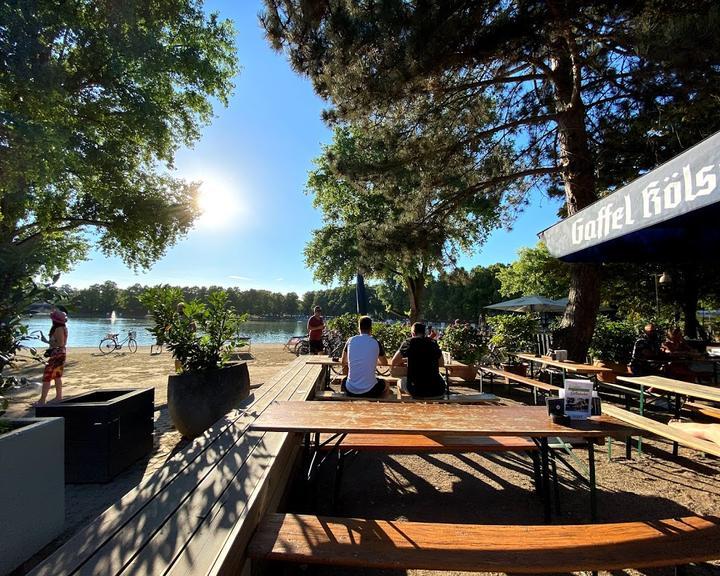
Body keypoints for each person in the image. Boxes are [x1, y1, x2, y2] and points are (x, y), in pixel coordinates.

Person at [392, 322, 445, 398]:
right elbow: (441, 363)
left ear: (413, 333)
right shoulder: (433, 343)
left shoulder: (409, 342)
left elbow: (394, 361)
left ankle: (403, 405)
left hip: (416, 390)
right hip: (437, 390)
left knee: (399, 382)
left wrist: (406, 361)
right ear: (424, 332)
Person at [340, 316, 388, 397]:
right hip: (371, 389)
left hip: (350, 389)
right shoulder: (375, 342)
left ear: (359, 328)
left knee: (343, 381)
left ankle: (346, 404)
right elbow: (385, 363)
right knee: (387, 384)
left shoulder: (350, 340)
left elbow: (343, 361)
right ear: (371, 328)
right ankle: (380, 408)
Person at [37, 308, 68, 405]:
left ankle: (42, 400)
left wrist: (46, 341)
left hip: (57, 353)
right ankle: (58, 397)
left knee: (47, 376)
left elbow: (60, 343)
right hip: (60, 353)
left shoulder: (58, 329)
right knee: (56, 376)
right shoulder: (63, 328)